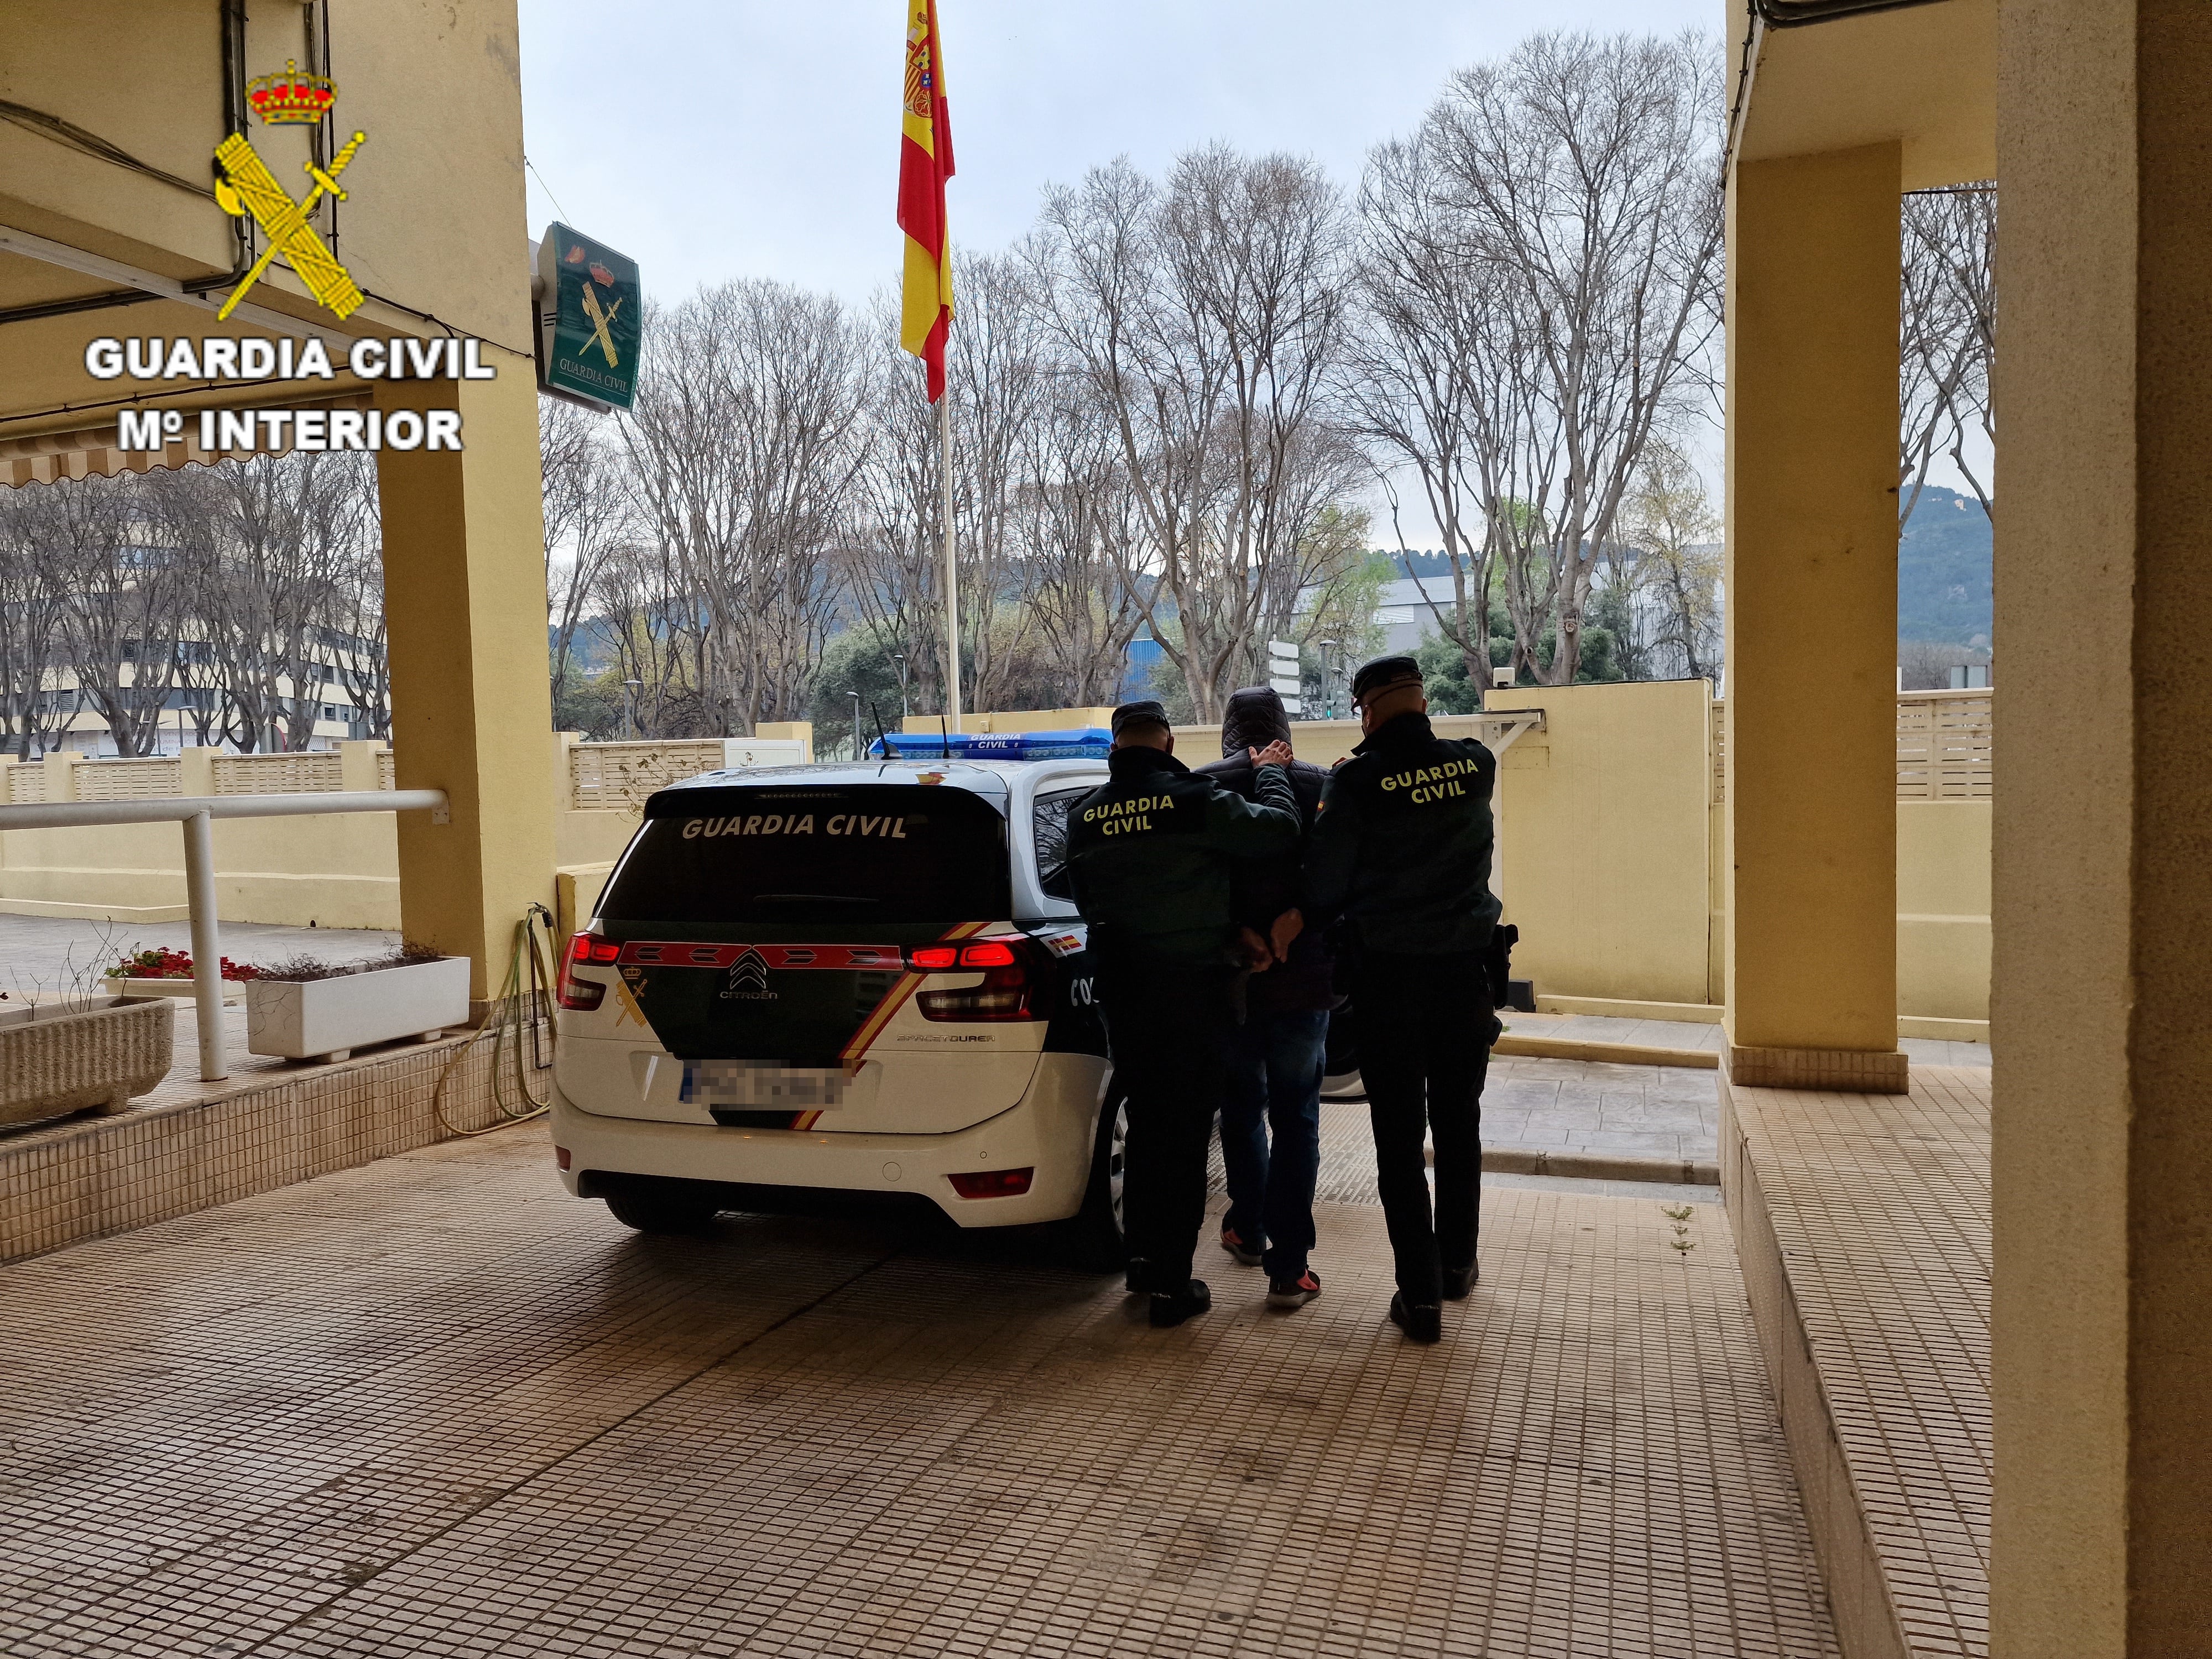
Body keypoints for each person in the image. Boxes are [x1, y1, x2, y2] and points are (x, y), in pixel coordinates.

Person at [1067, 699, 1300, 1328]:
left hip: (1122, 988)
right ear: (1168, 746)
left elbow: (1085, 899)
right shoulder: (1194, 800)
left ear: (1114, 750)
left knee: (1145, 1124)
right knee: (1188, 1131)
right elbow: (1280, 831)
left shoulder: (1084, 815)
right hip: (1194, 990)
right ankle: (1173, 1286)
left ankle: (1142, 1264)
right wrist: (1272, 770)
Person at [1292, 655, 1500, 1344]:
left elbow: (1323, 889)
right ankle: (1458, 1264)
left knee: (1400, 1142)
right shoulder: (1475, 766)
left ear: (1368, 710)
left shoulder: (1355, 781)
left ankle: (1420, 1298)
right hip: (1466, 977)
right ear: (1421, 699)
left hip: (1391, 984)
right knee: (1458, 1122)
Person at [1193, 687, 1332, 1311]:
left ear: (1228, 733)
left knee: (1243, 1108)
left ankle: (1247, 1230)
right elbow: (1344, 876)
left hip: (1232, 982)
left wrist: (1230, 933)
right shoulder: (1322, 783)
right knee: (1297, 1116)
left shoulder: (1203, 787)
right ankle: (1290, 1268)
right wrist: (1299, 918)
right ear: (1283, 731)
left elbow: (1189, 883)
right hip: (1303, 983)